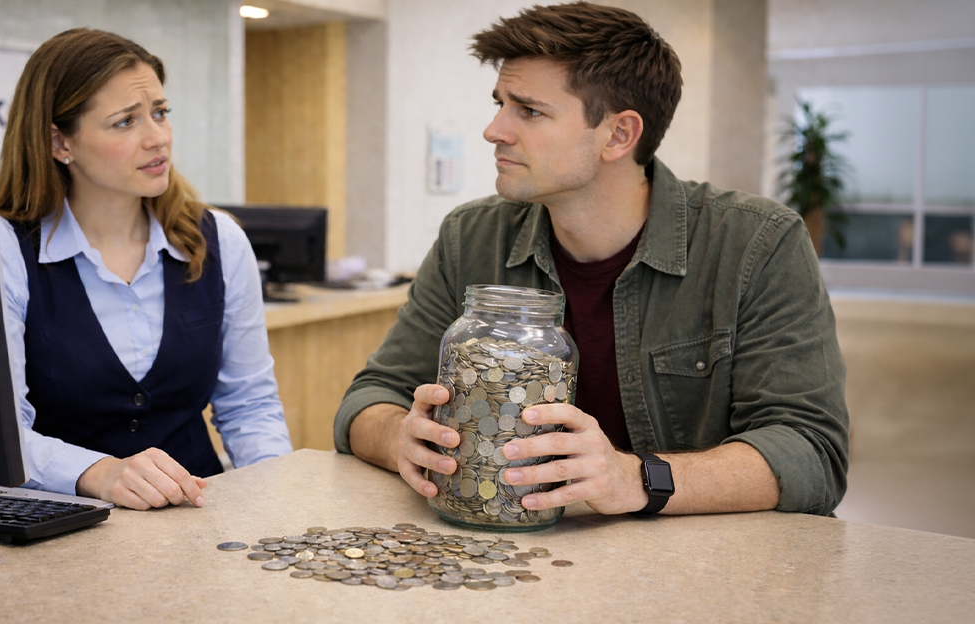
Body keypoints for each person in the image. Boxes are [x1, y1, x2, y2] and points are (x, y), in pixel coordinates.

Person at [334, 2, 849, 517]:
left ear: (619, 135)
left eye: (529, 111)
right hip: (507, 550)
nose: (494, 130)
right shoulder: (470, 237)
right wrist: (400, 436)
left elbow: (811, 453)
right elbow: (370, 398)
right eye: (500, 104)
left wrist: (635, 478)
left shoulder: (758, 242)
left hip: (698, 570)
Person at [0, 28, 292, 510]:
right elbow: (0, 434)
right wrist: (98, 472)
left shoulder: (220, 240)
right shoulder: (5, 250)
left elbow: (250, 406)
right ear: (59, 141)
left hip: (198, 520)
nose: (158, 138)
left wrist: (278, 503)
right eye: (125, 122)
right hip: (62, 530)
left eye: (160, 113)